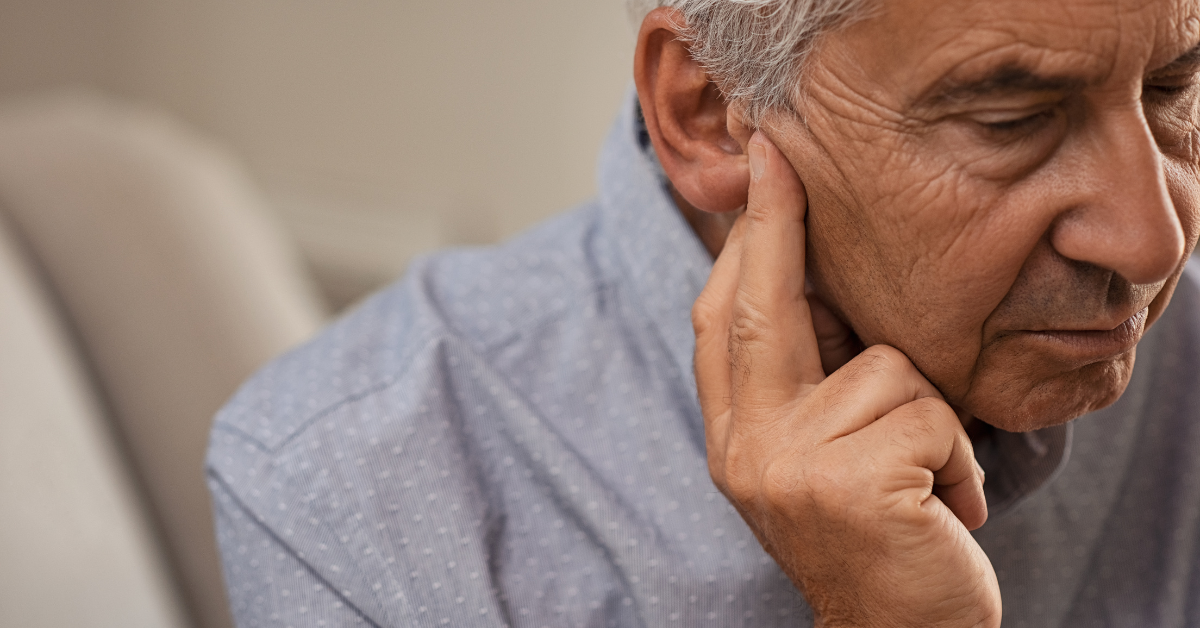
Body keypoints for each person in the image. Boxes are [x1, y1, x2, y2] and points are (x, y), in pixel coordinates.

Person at [207, 0, 1200, 625]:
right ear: (709, 111)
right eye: (1011, 119)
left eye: (1174, 87)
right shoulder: (345, 484)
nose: (1151, 241)